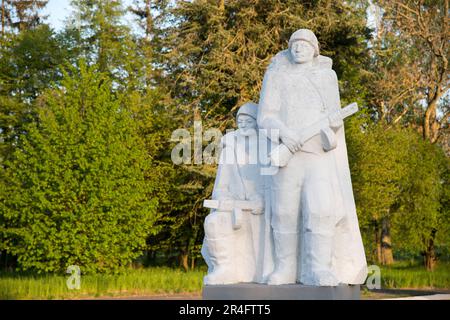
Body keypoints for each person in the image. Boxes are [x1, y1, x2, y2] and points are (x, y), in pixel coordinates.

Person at [257, 29, 367, 286]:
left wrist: (330, 128)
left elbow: (334, 120)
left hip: (317, 156)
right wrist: (285, 134)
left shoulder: (327, 77)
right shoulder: (275, 76)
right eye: (294, 44)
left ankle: (319, 268)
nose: (298, 49)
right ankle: (285, 268)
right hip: (288, 157)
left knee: (320, 210)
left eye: (305, 44)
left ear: (315, 49)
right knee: (284, 212)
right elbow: (265, 117)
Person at [201, 102, 273, 285]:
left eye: (248, 120)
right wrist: (225, 199)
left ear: (257, 123)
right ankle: (225, 269)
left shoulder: (269, 149)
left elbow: (277, 186)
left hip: (264, 212)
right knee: (213, 222)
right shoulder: (230, 151)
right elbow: (220, 187)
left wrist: (262, 198)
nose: (243, 124)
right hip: (236, 211)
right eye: (240, 120)